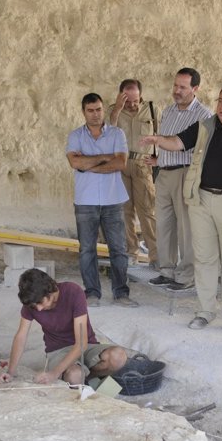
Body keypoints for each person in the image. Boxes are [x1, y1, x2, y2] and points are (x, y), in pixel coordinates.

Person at [141, 83, 222, 331]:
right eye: (220, 101)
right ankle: (205, 310)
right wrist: (157, 139)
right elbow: (178, 142)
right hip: (201, 200)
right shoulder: (204, 127)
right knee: (205, 258)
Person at [66, 93, 137, 308]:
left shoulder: (117, 134)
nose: (95, 114)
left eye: (98, 110)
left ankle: (121, 294)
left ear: (103, 110)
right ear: (83, 112)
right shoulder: (75, 135)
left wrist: (87, 165)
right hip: (85, 200)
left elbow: (120, 163)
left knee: (118, 248)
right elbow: (74, 161)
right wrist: (105, 157)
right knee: (87, 249)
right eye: (90, 110)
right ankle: (92, 294)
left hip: (112, 199)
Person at [0, 268, 127, 385]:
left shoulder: (73, 292)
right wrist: (10, 372)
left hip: (87, 346)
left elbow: (81, 343)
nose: (38, 308)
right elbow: (21, 337)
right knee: (75, 375)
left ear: (49, 291)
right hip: (58, 351)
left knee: (118, 356)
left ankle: (87, 378)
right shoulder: (32, 303)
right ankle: (82, 378)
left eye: (40, 302)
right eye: (34, 305)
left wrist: (54, 374)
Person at [146, 68, 213, 290]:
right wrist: (160, 160)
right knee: (164, 224)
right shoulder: (168, 111)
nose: (177, 91)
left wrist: (161, 143)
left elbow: (188, 145)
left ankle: (185, 276)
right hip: (164, 173)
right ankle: (166, 270)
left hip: (186, 174)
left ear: (195, 89)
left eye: (183, 87)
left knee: (187, 227)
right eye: (175, 86)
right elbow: (166, 144)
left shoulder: (204, 115)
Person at [107, 79, 158, 267]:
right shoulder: (114, 110)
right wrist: (118, 109)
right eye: (127, 100)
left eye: (135, 100)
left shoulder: (152, 110)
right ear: (121, 96)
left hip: (143, 164)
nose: (132, 104)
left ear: (141, 96)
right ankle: (131, 253)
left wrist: (158, 158)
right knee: (124, 211)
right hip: (121, 163)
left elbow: (163, 136)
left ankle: (156, 256)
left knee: (147, 211)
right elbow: (106, 133)